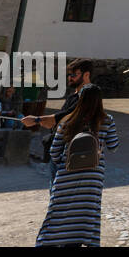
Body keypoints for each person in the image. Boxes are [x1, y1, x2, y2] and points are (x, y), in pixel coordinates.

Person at [36, 84, 118, 247]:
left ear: (80, 100)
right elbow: (114, 146)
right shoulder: (107, 120)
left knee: (59, 212)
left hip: (67, 174)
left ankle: (49, 242)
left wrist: (64, 164)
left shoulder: (67, 121)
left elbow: (54, 152)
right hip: (93, 177)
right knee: (86, 213)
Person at [24, 58, 93, 187]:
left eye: (74, 75)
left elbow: (64, 117)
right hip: (60, 153)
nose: (70, 78)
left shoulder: (89, 95)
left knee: (63, 197)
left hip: (74, 155)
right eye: (69, 75)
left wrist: (37, 120)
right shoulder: (75, 95)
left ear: (86, 75)